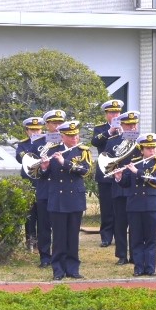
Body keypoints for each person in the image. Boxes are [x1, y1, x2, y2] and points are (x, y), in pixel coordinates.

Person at [39, 120, 91, 280]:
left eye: (76, 135)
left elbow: (85, 171)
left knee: (73, 236)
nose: (75, 138)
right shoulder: (52, 151)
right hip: (58, 199)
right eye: (70, 135)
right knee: (59, 237)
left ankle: (73, 269)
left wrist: (65, 162)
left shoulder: (83, 151)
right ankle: (58, 270)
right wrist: (44, 167)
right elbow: (42, 177)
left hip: (74, 198)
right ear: (62, 136)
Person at [116, 133, 156, 277]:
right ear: (142, 149)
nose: (152, 151)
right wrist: (119, 177)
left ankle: (150, 267)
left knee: (151, 238)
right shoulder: (134, 162)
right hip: (134, 205)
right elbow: (126, 183)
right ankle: (138, 267)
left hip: (151, 205)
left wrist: (137, 171)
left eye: (154, 148)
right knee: (136, 238)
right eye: (149, 148)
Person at [106, 110, 142, 265]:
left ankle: (135, 254)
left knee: (135, 224)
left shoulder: (141, 141)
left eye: (134, 124)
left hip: (135, 186)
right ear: (122, 125)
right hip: (119, 186)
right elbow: (106, 162)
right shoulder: (113, 141)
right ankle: (121, 255)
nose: (132, 127)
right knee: (120, 223)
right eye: (129, 125)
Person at [32, 109, 66, 268]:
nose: (58, 126)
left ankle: (62, 255)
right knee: (44, 226)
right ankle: (45, 256)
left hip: (62, 189)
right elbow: (32, 168)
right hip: (45, 189)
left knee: (61, 226)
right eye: (54, 123)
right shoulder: (38, 142)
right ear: (46, 125)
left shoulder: (67, 141)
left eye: (60, 123)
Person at [91, 99, 124, 248]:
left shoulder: (126, 127)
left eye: (117, 112)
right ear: (106, 115)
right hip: (105, 172)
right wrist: (110, 132)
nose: (115, 115)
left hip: (120, 173)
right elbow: (95, 142)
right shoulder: (100, 129)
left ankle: (120, 235)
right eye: (112, 113)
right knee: (106, 207)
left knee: (120, 206)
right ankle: (106, 236)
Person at [16, 116, 44, 251]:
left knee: (43, 212)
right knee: (30, 212)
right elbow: (20, 157)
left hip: (43, 180)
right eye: (32, 130)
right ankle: (30, 241)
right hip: (29, 182)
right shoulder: (23, 144)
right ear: (26, 131)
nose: (35, 132)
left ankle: (42, 241)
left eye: (38, 129)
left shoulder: (47, 143)